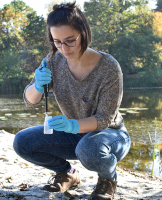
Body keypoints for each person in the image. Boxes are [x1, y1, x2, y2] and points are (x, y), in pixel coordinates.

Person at [13, 2, 131, 200]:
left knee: (89, 149)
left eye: (69, 40)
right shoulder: (53, 60)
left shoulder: (109, 66)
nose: (63, 48)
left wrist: (72, 125)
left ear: (83, 33)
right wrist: (37, 85)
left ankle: (107, 180)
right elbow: (29, 100)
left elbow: (104, 119)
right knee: (22, 142)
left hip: (110, 134)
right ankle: (68, 173)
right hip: (74, 133)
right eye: (57, 42)